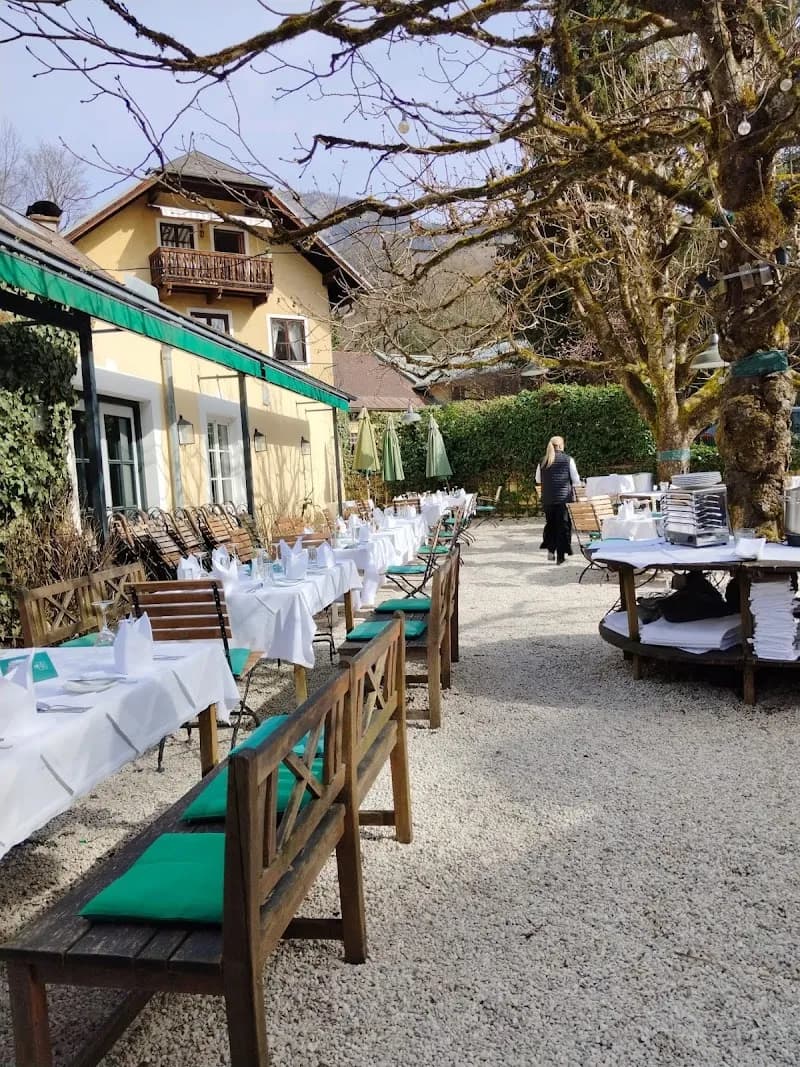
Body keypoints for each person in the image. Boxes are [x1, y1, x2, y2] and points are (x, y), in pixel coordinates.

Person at [535, 436, 581, 564]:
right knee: (563, 527)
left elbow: (538, 480)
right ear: (561, 446)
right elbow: (576, 480)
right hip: (563, 500)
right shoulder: (568, 460)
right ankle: (561, 557)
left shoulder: (543, 461)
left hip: (548, 500)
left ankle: (550, 550)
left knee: (551, 525)